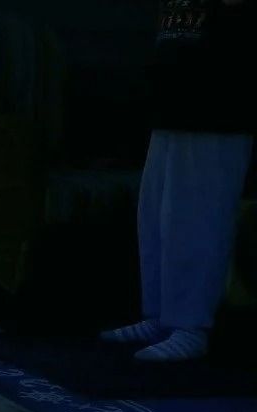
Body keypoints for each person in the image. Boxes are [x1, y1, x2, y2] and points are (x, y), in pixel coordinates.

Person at [102, 0, 255, 362]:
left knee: (197, 215)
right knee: (156, 214)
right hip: (174, 99)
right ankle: (159, 314)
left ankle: (190, 325)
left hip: (218, 103)